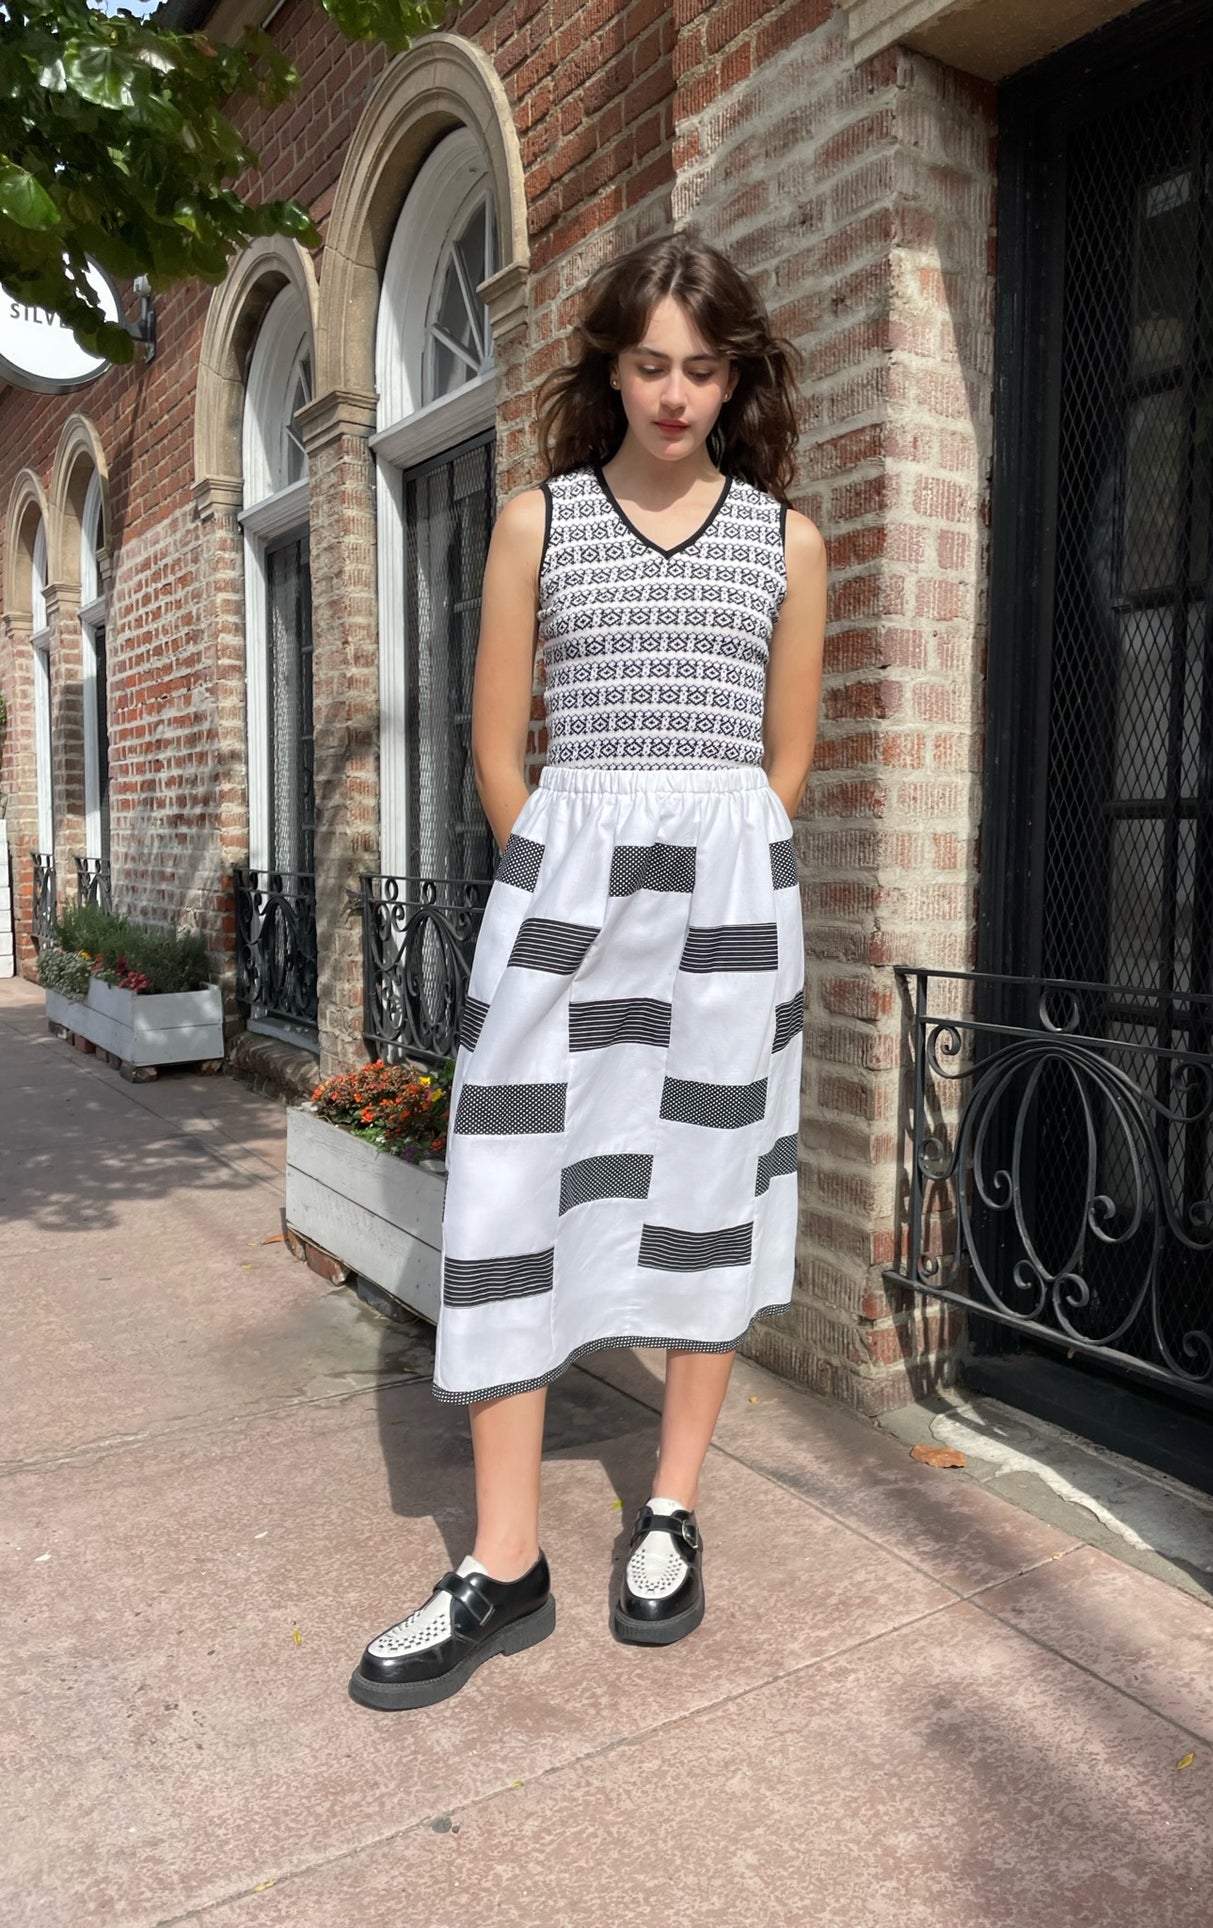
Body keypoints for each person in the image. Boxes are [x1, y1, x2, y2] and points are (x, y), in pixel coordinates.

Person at [350, 228, 826, 1711]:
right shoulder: (535, 524)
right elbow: (497, 746)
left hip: (725, 913)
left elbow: (786, 762)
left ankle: (670, 1508)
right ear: (610, 369)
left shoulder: (786, 543)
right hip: (564, 900)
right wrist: (558, 874)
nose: (675, 394)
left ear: (735, 379)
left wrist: (711, 875)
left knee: (705, 1189)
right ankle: (504, 1561)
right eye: (649, 364)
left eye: (703, 368)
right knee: (510, 1189)